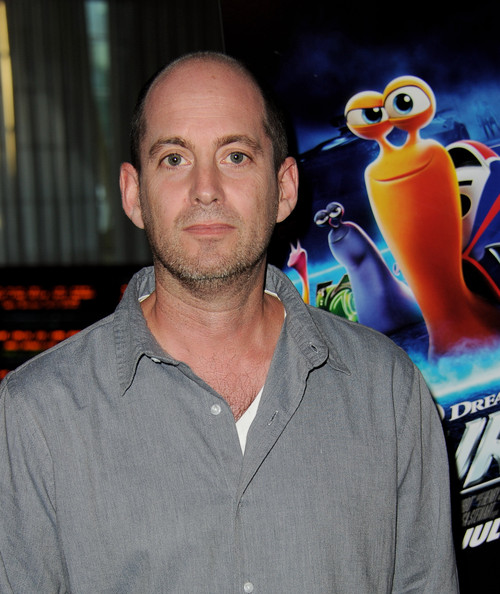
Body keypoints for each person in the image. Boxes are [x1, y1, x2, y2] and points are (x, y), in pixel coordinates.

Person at [0, 51, 459, 593]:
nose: (206, 188)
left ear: (285, 188)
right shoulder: (36, 416)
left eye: (236, 156)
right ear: (133, 194)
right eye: (174, 158)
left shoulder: (388, 391)